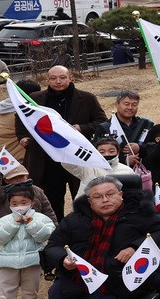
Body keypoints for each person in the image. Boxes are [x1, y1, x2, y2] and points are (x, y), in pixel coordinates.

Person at [34, 175, 160, 299]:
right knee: (57, 291)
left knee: (103, 286)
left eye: (110, 194)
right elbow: (53, 246)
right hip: (78, 273)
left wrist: (134, 248)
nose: (105, 200)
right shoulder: (74, 220)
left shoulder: (140, 214)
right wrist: (63, 259)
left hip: (117, 275)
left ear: (121, 195)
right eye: (98, 197)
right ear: (89, 201)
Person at [31, 66, 106, 216]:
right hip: (49, 157)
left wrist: (82, 128)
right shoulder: (36, 98)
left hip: (77, 155)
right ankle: (58, 229)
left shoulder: (87, 98)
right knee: (52, 197)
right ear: (47, 80)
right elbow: (22, 120)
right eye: (53, 78)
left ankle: (83, 224)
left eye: (62, 77)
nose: (58, 81)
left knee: (82, 194)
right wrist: (23, 138)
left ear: (70, 78)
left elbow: (101, 121)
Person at [0, 183, 54, 299]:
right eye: (14, 204)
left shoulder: (40, 219)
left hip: (32, 261)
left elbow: (46, 234)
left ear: (32, 202)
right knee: (6, 290)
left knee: (31, 288)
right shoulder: (6, 220)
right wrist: (13, 224)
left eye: (24, 203)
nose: (19, 207)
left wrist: (32, 224)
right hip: (8, 263)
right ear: (9, 204)